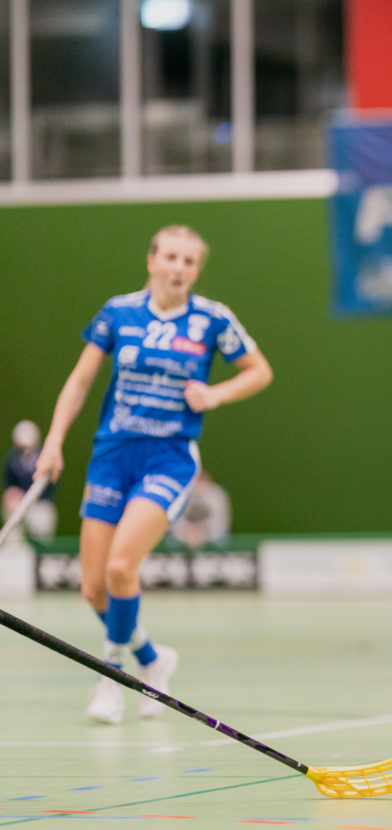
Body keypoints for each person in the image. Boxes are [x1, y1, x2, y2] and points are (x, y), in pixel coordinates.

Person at [34, 225, 273, 724]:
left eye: (189, 261)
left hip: (168, 458)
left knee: (122, 567)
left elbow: (259, 370)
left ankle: (111, 676)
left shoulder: (212, 319)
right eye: (171, 257)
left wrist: (215, 394)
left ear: (197, 270)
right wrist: (53, 441)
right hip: (111, 455)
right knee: (93, 587)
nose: (179, 268)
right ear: (151, 261)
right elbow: (80, 382)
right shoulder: (118, 312)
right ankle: (151, 659)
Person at [3, 420, 58, 543]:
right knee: (14, 533)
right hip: (18, 506)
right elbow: (9, 485)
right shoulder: (12, 459)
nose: (26, 450)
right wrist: (13, 496)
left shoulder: (45, 457)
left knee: (42, 534)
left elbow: (53, 483)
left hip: (40, 504)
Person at [169, 469, 231, 551]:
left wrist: (203, 534)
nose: (198, 485)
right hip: (181, 545)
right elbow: (175, 521)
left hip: (214, 545)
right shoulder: (181, 495)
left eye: (200, 480)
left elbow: (220, 522)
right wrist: (186, 534)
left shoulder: (216, 495)